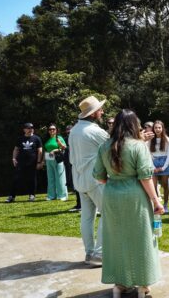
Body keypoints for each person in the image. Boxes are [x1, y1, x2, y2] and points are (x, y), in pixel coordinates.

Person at [92, 109, 163, 298]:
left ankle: (119, 284)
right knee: (141, 238)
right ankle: (142, 285)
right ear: (134, 125)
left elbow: (99, 177)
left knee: (116, 239)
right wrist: (156, 201)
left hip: (112, 196)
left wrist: (116, 182)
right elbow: (146, 177)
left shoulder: (104, 146)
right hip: (135, 196)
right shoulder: (138, 146)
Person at [69, 96, 110, 265]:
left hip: (79, 179)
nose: (102, 111)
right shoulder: (95, 131)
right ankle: (98, 255)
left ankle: (89, 253)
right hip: (94, 180)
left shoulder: (74, 130)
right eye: (100, 109)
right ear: (93, 114)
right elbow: (117, 147)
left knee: (87, 217)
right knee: (107, 214)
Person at [7, 122, 43, 203]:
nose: (30, 129)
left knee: (32, 179)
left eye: (32, 128)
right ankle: (11, 196)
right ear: (24, 130)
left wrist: (39, 162)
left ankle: (32, 195)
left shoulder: (37, 138)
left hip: (32, 162)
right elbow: (16, 149)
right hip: (21, 162)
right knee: (16, 178)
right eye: (28, 128)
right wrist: (13, 158)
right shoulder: (20, 139)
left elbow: (40, 151)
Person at [149, 120, 169, 213]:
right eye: (156, 127)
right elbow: (148, 154)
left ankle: (165, 205)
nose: (157, 129)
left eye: (159, 127)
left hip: (164, 162)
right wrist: (153, 167)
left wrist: (163, 167)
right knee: (153, 186)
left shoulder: (167, 139)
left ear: (162, 128)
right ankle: (156, 205)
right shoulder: (150, 139)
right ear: (153, 129)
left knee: (165, 185)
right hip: (153, 162)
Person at [44, 124, 68, 201]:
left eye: (53, 129)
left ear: (56, 130)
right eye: (50, 129)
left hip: (58, 158)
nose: (52, 131)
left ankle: (62, 195)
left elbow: (64, 147)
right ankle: (51, 195)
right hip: (49, 159)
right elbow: (45, 150)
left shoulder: (59, 138)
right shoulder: (46, 139)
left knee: (60, 177)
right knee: (50, 177)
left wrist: (55, 150)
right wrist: (43, 160)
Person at [64, 124, 81, 212]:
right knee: (76, 185)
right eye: (67, 131)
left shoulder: (78, 138)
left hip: (79, 163)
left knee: (79, 185)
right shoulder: (67, 139)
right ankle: (79, 205)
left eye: (70, 131)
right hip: (71, 163)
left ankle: (81, 205)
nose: (68, 132)